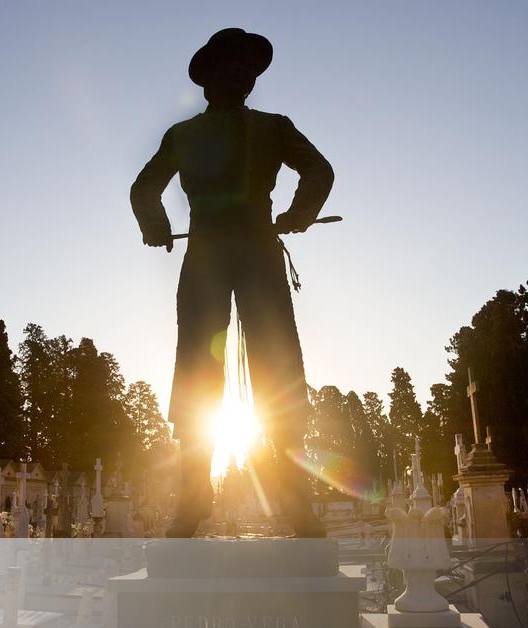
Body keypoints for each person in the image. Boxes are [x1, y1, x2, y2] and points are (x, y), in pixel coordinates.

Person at [130, 28, 333, 537]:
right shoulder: (182, 135)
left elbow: (319, 171)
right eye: (230, 65)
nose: (241, 73)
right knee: (196, 367)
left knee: (278, 365)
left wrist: (300, 213)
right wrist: (155, 224)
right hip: (208, 256)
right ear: (209, 78)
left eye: (247, 67)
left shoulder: (273, 127)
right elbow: (144, 188)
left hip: (256, 252)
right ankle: (193, 497)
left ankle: (294, 501)